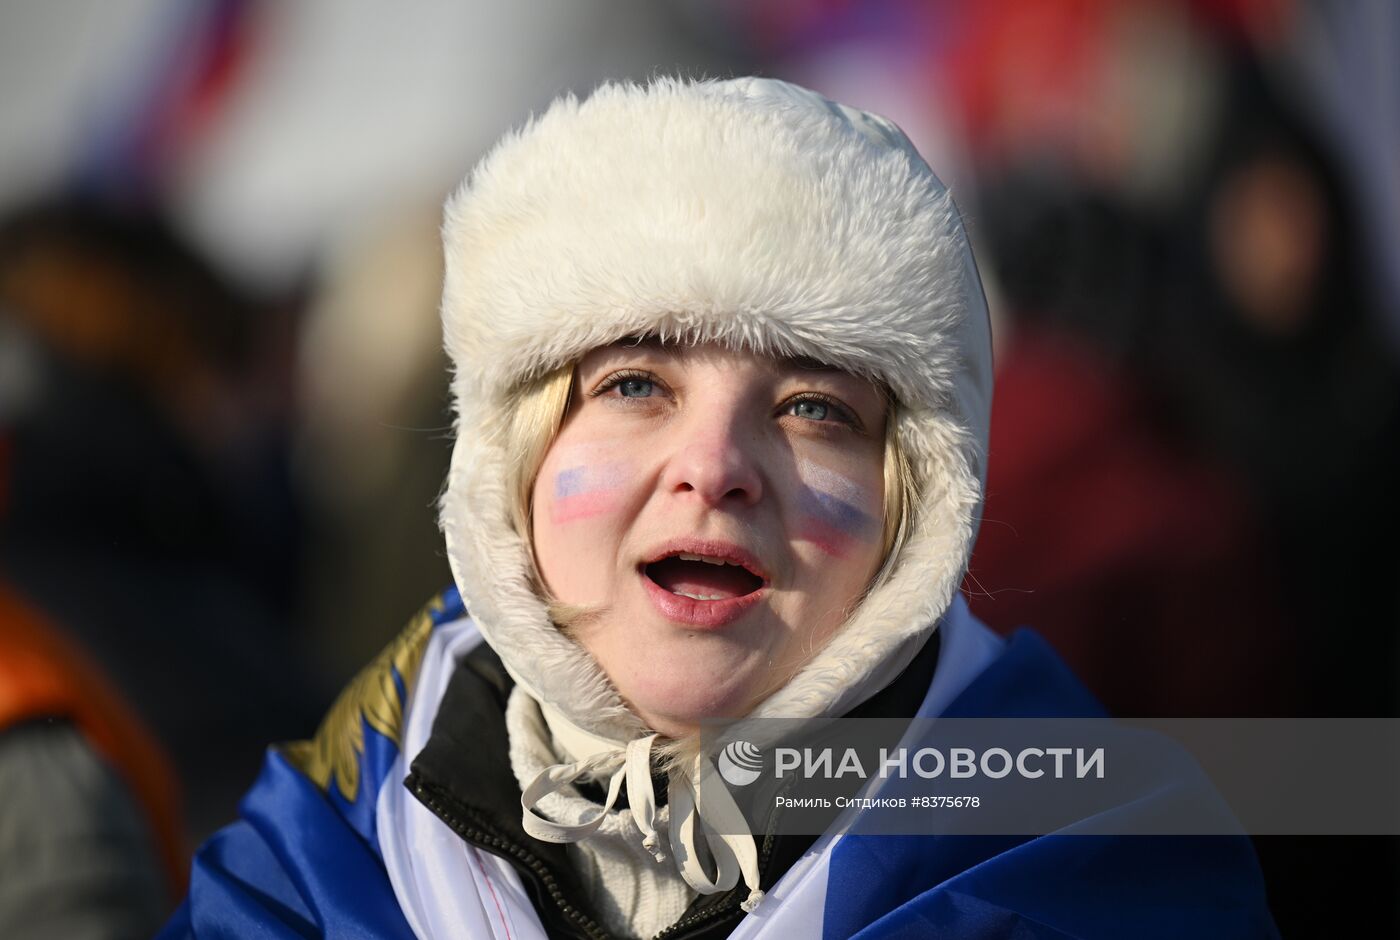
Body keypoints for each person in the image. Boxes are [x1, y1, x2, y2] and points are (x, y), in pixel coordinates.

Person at [160, 77, 1278, 938]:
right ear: (515, 462)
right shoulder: (319, 847)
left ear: (914, 506)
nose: (715, 466)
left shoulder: (1099, 866)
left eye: (810, 409)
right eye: (634, 385)